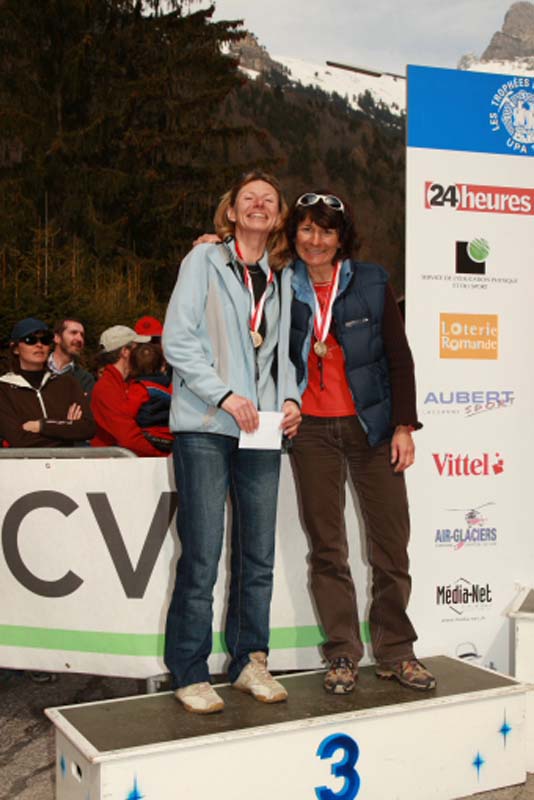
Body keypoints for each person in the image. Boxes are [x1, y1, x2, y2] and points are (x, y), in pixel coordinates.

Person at [162, 170, 301, 714]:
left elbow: (285, 353)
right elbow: (178, 340)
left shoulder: (281, 277)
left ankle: (249, 662)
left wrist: (289, 400)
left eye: (269, 199)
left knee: (257, 555)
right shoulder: (203, 260)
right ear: (232, 211)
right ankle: (190, 671)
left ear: (278, 215)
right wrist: (223, 395)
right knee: (202, 554)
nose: (259, 205)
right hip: (205, 423)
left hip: (261, 429)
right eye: (249, 198)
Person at [286, 191, 436, 694]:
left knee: (391, 545)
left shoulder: (371, 281)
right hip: (310, 432)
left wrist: (403, 425)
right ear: (294, 234)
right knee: (328, 550)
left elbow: (399, 356)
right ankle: (342, 654)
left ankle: (396, 651)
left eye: (326, 230)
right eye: (307, 228)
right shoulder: (282, 283)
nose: (316, 240)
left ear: (341, 238)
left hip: (371, 428)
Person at [0, 317, 95, 448]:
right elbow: (18, 439)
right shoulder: (4, 388)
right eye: (30, 340)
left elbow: (88, 428)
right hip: (24, 461)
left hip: (66, 460)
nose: (39, 345)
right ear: (15, 348)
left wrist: (41, 425)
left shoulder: (68, 383)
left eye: (45, 340)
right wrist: (67, 431)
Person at [90, 325, 167, 457]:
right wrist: (163, 455)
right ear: (125, 352)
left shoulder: (126, 383)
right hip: (113, 464)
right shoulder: (106, 388)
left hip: (127, 461)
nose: (142, 352)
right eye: (138, 347)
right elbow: (127, 436)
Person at [127, 342, 173, 452]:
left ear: (132, 366)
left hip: (149, 436)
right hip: (171, 437)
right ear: (162, 365)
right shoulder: (170, 385)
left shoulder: (139, 387)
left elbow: (128, 413)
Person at [48, 318, 96, 398]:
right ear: (57, 338)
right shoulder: (36, 369)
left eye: (82, 335)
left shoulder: (85, 380)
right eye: (73, 333)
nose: (79, 339)